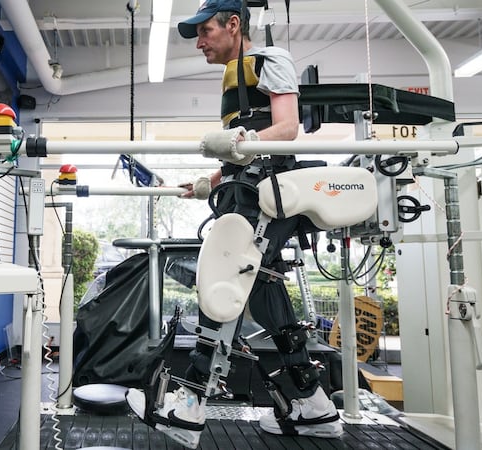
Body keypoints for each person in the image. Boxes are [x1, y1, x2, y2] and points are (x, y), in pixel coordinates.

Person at [125, 0, 342, 445]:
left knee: (223, 279)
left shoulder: (270, 60)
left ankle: (187, 407)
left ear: (234, 24)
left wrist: (237, 144)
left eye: (206, 31)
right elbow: (248, 146)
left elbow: (286, 130)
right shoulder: (232, 79)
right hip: (244, 189)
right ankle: (313, 407)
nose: (201, 42)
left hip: (267, 192)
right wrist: (210, 180)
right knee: (261, 288)